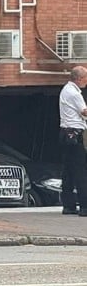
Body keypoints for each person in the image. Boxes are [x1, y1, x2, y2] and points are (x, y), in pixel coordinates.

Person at [58, 66, 87, 216]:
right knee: (81, 170)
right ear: (79, 78)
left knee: (68, 170)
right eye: (86, 78)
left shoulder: (65, 90)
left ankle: (68, 205)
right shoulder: (75, 93)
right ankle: (84, 206)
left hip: (65, 134)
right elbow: (84, 111)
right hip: (75, 134)